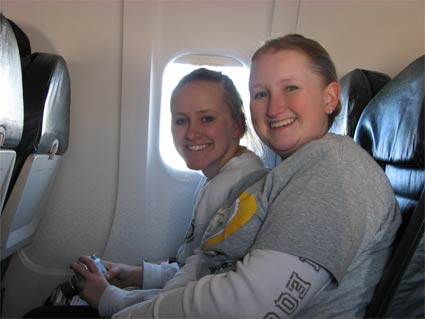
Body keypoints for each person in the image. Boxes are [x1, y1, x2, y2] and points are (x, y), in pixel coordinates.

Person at [93, 34, 400, 318]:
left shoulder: (334, 174)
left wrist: (121, 309)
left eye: (290, 87)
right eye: (260, 94)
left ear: (329, 97)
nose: (274, 108)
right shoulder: (285, 174)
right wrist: (125, 300)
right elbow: (209, 267)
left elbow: (251, 304)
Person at [23, 68, 265, 318]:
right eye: (181, 120)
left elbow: (187, 299)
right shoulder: (222, 175)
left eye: (207, 119)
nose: (191, 133)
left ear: (237, 125)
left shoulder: (234, 187)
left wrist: (109, 297)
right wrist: (134, 274)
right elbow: (195, 268)